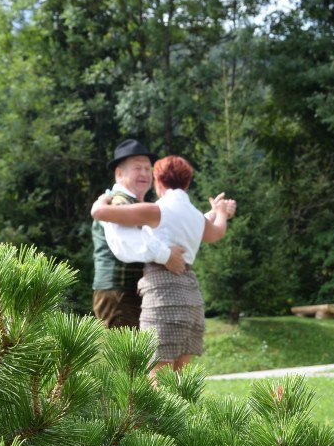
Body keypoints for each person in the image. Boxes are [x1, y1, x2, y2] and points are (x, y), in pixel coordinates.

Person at [91, 155, 234, 374]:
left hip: (162, 292)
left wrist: (103, 199)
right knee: (179, 373)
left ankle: (149, 409)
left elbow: (100, 213)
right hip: (190, 292)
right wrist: (220, 214)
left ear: (158, 182)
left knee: (156, 368)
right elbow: (213, 232)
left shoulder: (154, 210)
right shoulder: (194, 215)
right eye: (138, 168)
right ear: (187, 183)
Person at [91, 139, 186, 329]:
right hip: (119, 292)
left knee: (142, 355)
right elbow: (126, 243)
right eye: (137, 168)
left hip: (131, 291)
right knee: (130, 357)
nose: (144, 173)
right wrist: (167, 256)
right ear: (119, 174)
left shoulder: (134, 203)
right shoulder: (116, 202)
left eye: (147, 168)